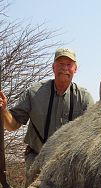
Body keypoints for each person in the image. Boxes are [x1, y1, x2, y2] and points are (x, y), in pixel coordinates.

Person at [0, 48, 94, 180]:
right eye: (60, 64)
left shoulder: (84, 97)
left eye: (69, 64)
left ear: (75, 69)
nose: (64, 68)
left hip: (68, 165)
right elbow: (12, 126)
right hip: (37, 159)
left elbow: (91, 137)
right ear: (53, 67)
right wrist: (3, 111)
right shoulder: (34, 92)